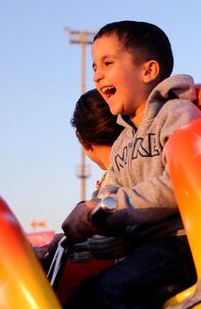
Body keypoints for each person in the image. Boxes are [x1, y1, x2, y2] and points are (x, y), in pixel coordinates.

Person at [61, 20, 201, 309]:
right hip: (145, 249)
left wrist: (109, 207)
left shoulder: (177, 114)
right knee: (82, 298)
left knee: (115, 290)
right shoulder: (124, 142)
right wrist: (89, 232)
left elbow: (178, 184)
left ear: (148, 71)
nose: (97, 74)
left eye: (108, 63)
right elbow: (113, 193)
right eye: (95, 66)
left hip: (181, 243)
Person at [37, 90, 131, 268]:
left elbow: (113, 239)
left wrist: (68, 241)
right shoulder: (142, 161)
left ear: (82, 139)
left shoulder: (115, 179)